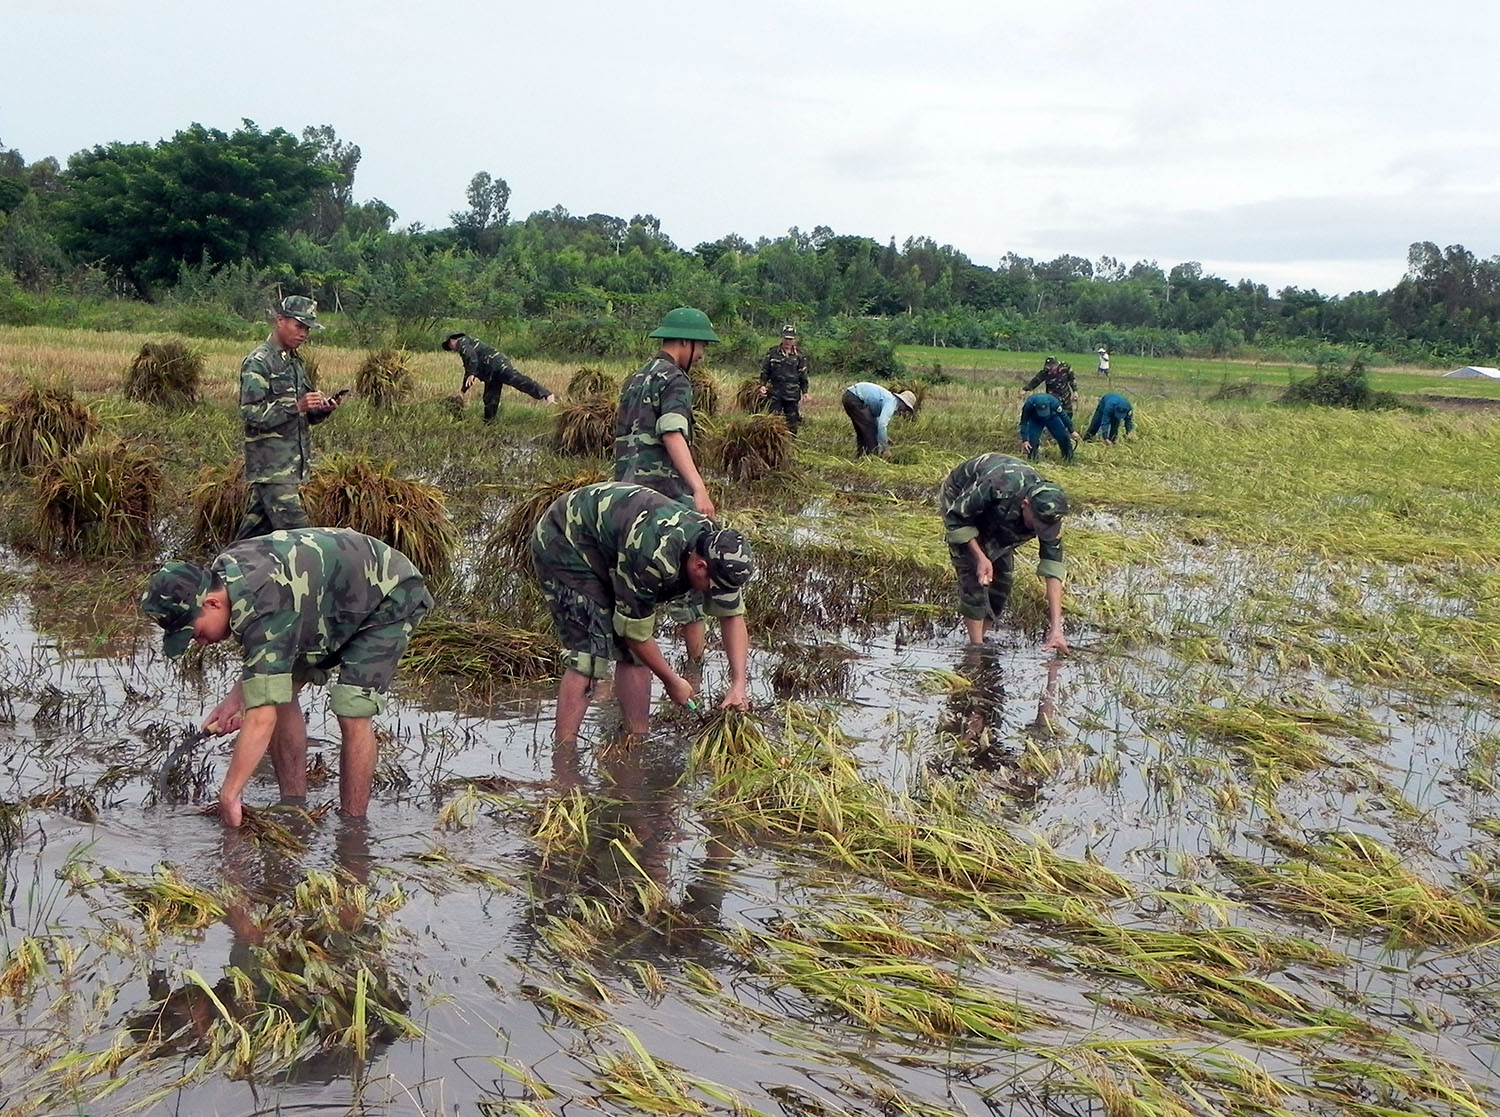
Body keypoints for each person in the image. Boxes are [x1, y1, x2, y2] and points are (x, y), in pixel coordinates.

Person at [139, 527, 434, 828]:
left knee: (352, 708)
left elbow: (261, 718)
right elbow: (266, 659)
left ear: (212, 603)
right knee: (281, 695)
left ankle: (353, 827)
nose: (199, 642)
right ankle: (294, 806)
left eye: (195, 632)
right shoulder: (227, 578)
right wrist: (235, 698)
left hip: (387, 592)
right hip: (319, 603)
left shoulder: (260, 603)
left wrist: (230, 794)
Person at [530, 481, 754, 743]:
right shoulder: (653, 556)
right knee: (589, 653)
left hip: (615, 544)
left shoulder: (722, 552)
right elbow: (634, 634)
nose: (712, 595)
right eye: (712, 588)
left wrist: (739, 684)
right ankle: (564, 758)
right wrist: (672, 681)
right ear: (700, 566)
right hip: (566, 539)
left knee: (635, 656)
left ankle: (636, 740)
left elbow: (732, 616)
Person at [614, 306, 721, 660]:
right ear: (686, 342)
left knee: (626, 586)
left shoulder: (635, 378)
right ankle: (696, 667)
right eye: (701, 346)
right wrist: (698, 488)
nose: (702, 355)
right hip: (663, 497)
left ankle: (619, 669)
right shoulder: (676, 379)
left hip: (622, 498)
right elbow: (673, 432)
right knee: (694, 578)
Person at [938, 452, 1069, 652]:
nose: (1039, 531)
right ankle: (976, 649)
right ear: (1026, 505)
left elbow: (1053, 571)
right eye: (1037, 524)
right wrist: (981, 557)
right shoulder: (998, 485)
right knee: (974, 575)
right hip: (961, 498)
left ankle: (982, 636)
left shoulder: (1049, 512)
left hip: (1002, 515)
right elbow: (957, 519)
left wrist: (1056, 630)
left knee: (1002, 580)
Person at [237, 295, 341, 540]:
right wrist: (296, 406)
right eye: (299, 326)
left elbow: (303, 414)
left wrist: (321, 410)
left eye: (307, 328)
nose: (304, 333)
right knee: (302, 540)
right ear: (280, 321)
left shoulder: (294, 363)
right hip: (272, 469)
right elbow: (251, 413)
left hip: (287, 468)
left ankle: (221, 574)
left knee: (251, 538)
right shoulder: (259, 363)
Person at [441, 332, 557, 422]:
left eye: (449, 345)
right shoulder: (467, 344)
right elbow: (469, 367)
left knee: (517, 380)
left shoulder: (463, 342)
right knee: (490, 397)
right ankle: (489, 423)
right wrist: (462, 391)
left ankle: (546, 394)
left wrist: (472, 374)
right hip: (491, 373)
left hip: (497, 365)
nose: (451, 348)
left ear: (453, 339)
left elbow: (471, 358)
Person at [758, 324, 812, 433]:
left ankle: (791, 444)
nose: (788, 342)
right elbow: (765, 370)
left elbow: (803, 375)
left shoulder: (799, 356)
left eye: (791, 339)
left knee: (792, 423)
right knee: (772, 422)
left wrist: (805, 392)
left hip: (792, 394)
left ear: (794, 340)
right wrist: (762, 385)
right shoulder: (773, 353)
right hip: (775, 393)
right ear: (782, 338)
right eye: (786, 338)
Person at [841, 382, 917, 457]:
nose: (905, 411)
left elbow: (876, 422)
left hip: (850, 396)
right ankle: (872, 457)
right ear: (903, 402)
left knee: (863, 431)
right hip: (854, 397)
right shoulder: (891, 402)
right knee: (870, 431)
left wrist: (885, 437)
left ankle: (862, 457)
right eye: (906, 408)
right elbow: (882, 425)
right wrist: (886, 448)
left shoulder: (889, 400)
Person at [1019, 393, 1077, 462]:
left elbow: (1063, 416)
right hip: (1035, 420)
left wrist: (1072, 431)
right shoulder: (1029, 405)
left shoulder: (1054, 403)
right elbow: (1024, 422)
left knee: (1063, 437)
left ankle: (1068, 459)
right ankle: (1033, 460)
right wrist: (1025, 440)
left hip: (1052, 418)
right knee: (1032, 441)